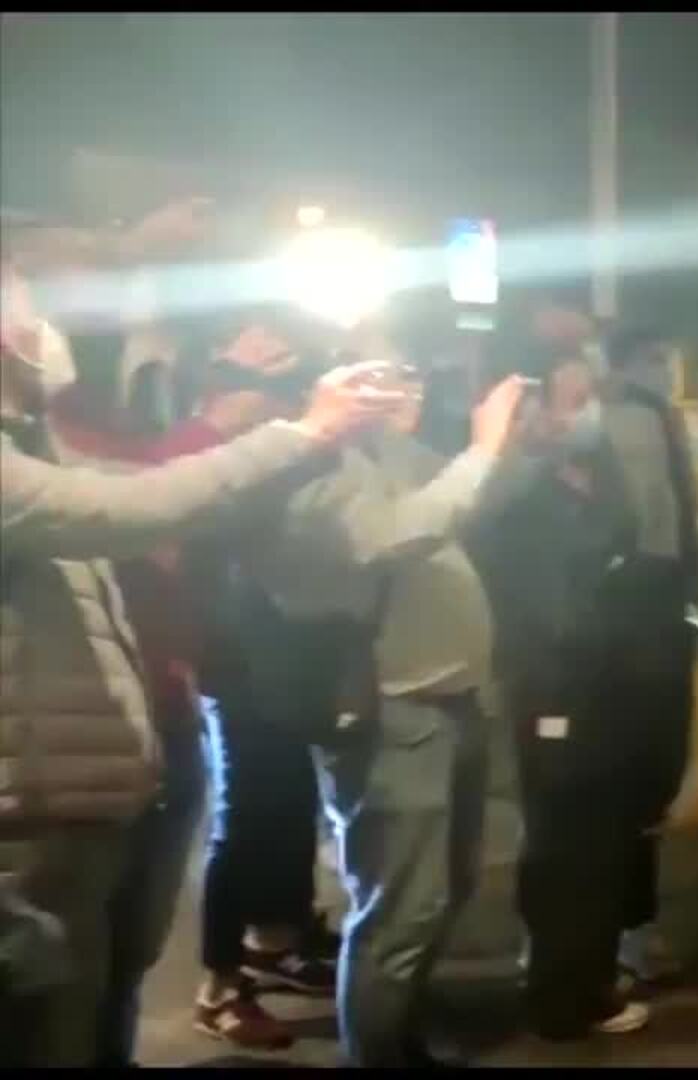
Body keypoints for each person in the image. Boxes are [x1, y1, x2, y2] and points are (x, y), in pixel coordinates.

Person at [0, 252, 403, 1066]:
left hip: (120, 757)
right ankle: (228, 979)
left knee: (105, 989)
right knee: (48, 1017)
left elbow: (151, 481)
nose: (46, 328)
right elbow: (137, 504)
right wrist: (302, 428)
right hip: (35, 804)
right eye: (28, 306)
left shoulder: (42, 439)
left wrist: (262, 405)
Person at [238, 352, 530, 1067]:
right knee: (398, 913)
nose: (400, 389)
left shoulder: (382, 452)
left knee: (444, 893)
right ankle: (378, 1053)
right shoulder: (297, 472)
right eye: (373, 377)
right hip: (391, 712)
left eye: (403, 372)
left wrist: (516, 445)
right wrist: (484, 446)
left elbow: (472, 497)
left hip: (452, 700)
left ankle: (403, 1035)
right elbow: (395, 534)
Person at [468, 349, 653, 1040]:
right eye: (573, 400)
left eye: (591, 396)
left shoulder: (592, 476)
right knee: (566, 841)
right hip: (556, 685)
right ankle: (561, 993)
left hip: (599, 683)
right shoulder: (520, 496)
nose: (589, 413)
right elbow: (557, 608)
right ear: (532, 412)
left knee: (594, 838)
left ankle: (583, 975)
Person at [600, 321, 698, 987]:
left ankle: (633, 924)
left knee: (650, 775)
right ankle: (607, 934)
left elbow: (676, 506)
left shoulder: (658, 417)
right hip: (622, 604)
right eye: (651, 361)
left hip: (661, 601)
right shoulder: (606, 421)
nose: (662, 374)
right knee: (617, 779)